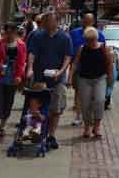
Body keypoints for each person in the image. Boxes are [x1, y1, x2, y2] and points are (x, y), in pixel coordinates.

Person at [25, 12, 73, 151]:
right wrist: (29, 69)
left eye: (49, 21)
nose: (46, 24)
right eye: (45, 21)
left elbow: (67, 57)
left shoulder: (65, 37)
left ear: (56, 22)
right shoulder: (37, 36)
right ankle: (35, 131)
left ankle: (51, 135)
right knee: (35, 105)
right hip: (39, 77)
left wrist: (61, 71)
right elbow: (32, 54)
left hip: (57, 79)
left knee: (56, 109)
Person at [71, 27, 112, 139]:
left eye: (92, 40)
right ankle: (87, 127)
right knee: (85, 103)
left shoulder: (104, 48)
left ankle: (97, 126)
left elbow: (109, 65)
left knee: (99, 100)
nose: (90, 43)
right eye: (88, 40)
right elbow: (75, 63)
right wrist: (70, 77)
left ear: (96, 38)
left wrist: (110, 80)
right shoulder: (82, 49)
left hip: (100, 78)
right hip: (84, 79)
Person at [0, 23, 26, 141]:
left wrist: (19, 76)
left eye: (11, 32)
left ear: (15, 32)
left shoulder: (21, 45)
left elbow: (21, 63)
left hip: (11, 77)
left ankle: (2, 126)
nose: (8, 35)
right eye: (6, 32)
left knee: (7, 104)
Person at [69, 13, 105, 126]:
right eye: (85, 20)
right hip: (79, 69)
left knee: (96, 97)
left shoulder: (99, 34)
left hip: (96, 72)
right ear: (82, 21)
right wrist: (70, 72)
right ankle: (79, 116)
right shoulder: (74, 33)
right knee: (78, 93)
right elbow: (70, 51)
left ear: (93, 22)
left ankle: (92, 118)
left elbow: (104, 53)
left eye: (89, 21)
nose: (87, 23)